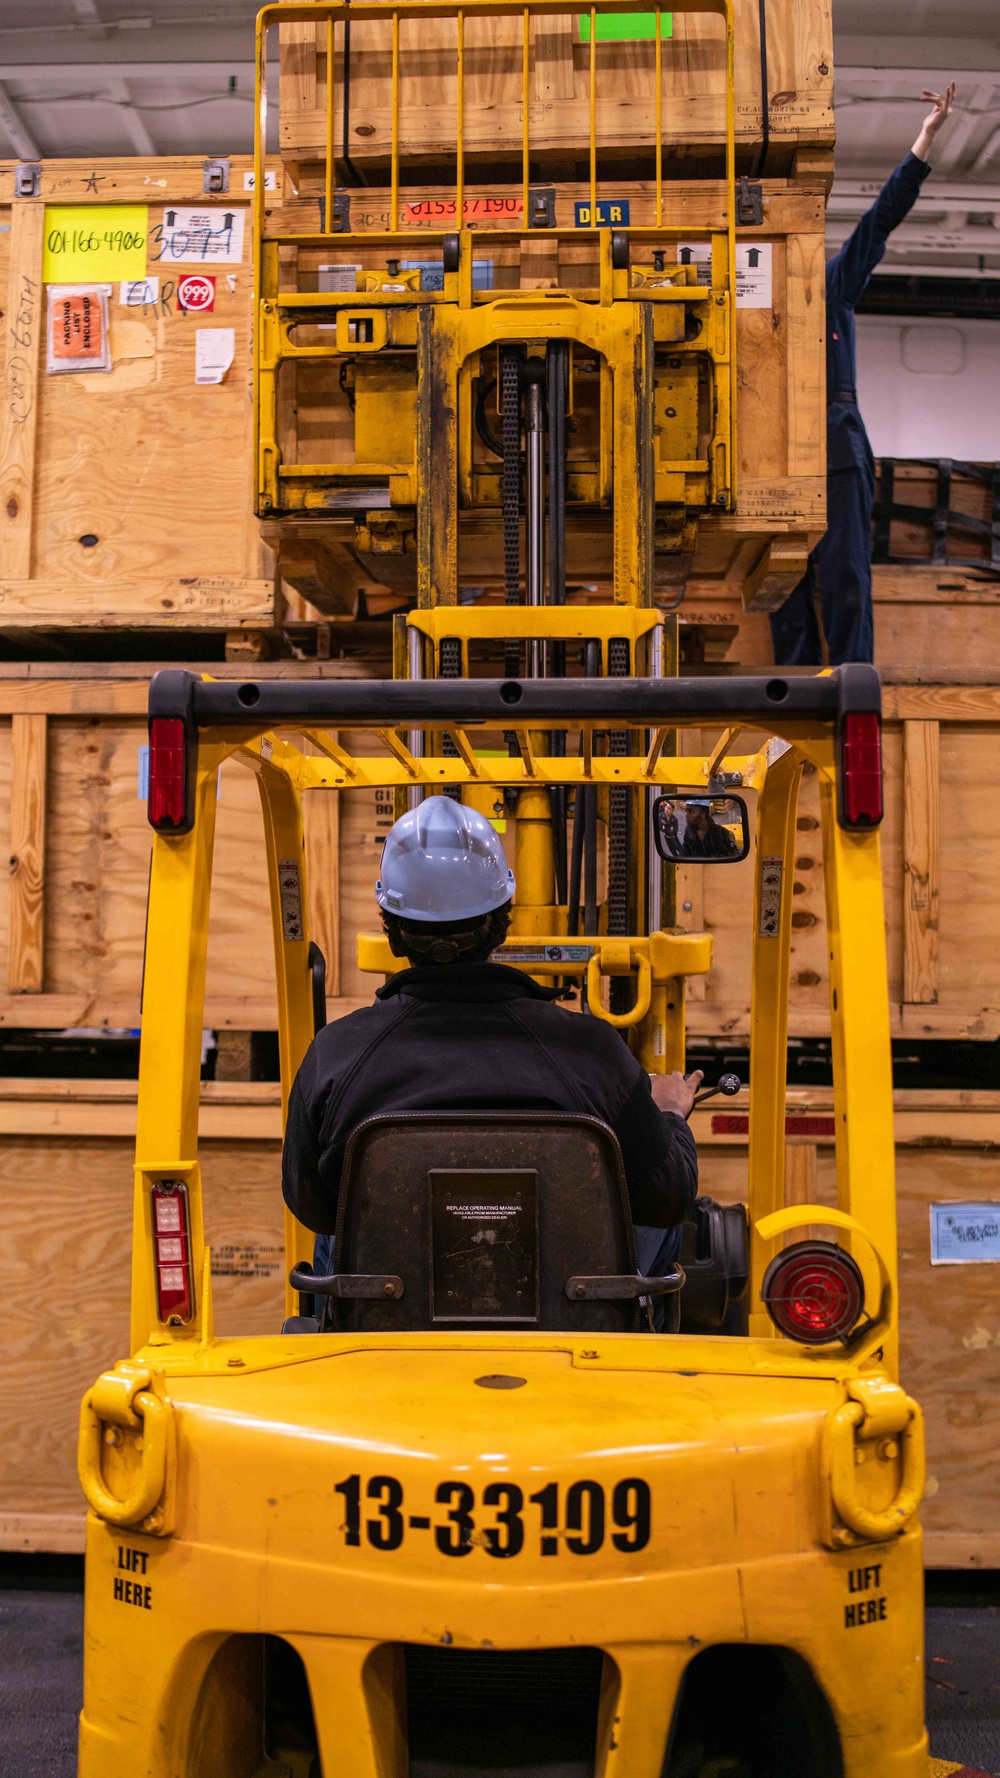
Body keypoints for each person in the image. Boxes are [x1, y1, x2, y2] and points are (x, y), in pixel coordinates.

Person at [282, 796, 703, 1318]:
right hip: (571, 1326)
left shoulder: (336, 1055)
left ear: (391, 928)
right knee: (650, 1199)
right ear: (503, 922)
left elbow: (311, 1205)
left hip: (390, 1331)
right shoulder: (591, 1052)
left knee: (337, 1224)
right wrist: (667, 1115)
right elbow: (668, 1199)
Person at [771, 83, 956, 668]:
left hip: (836, 448)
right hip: (775, 456)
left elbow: (881, 220)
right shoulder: (755, 307)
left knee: (846, 581)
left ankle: (851, 699)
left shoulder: (832, 284)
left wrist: (925, 139)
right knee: (785, 599)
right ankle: (794, 712)